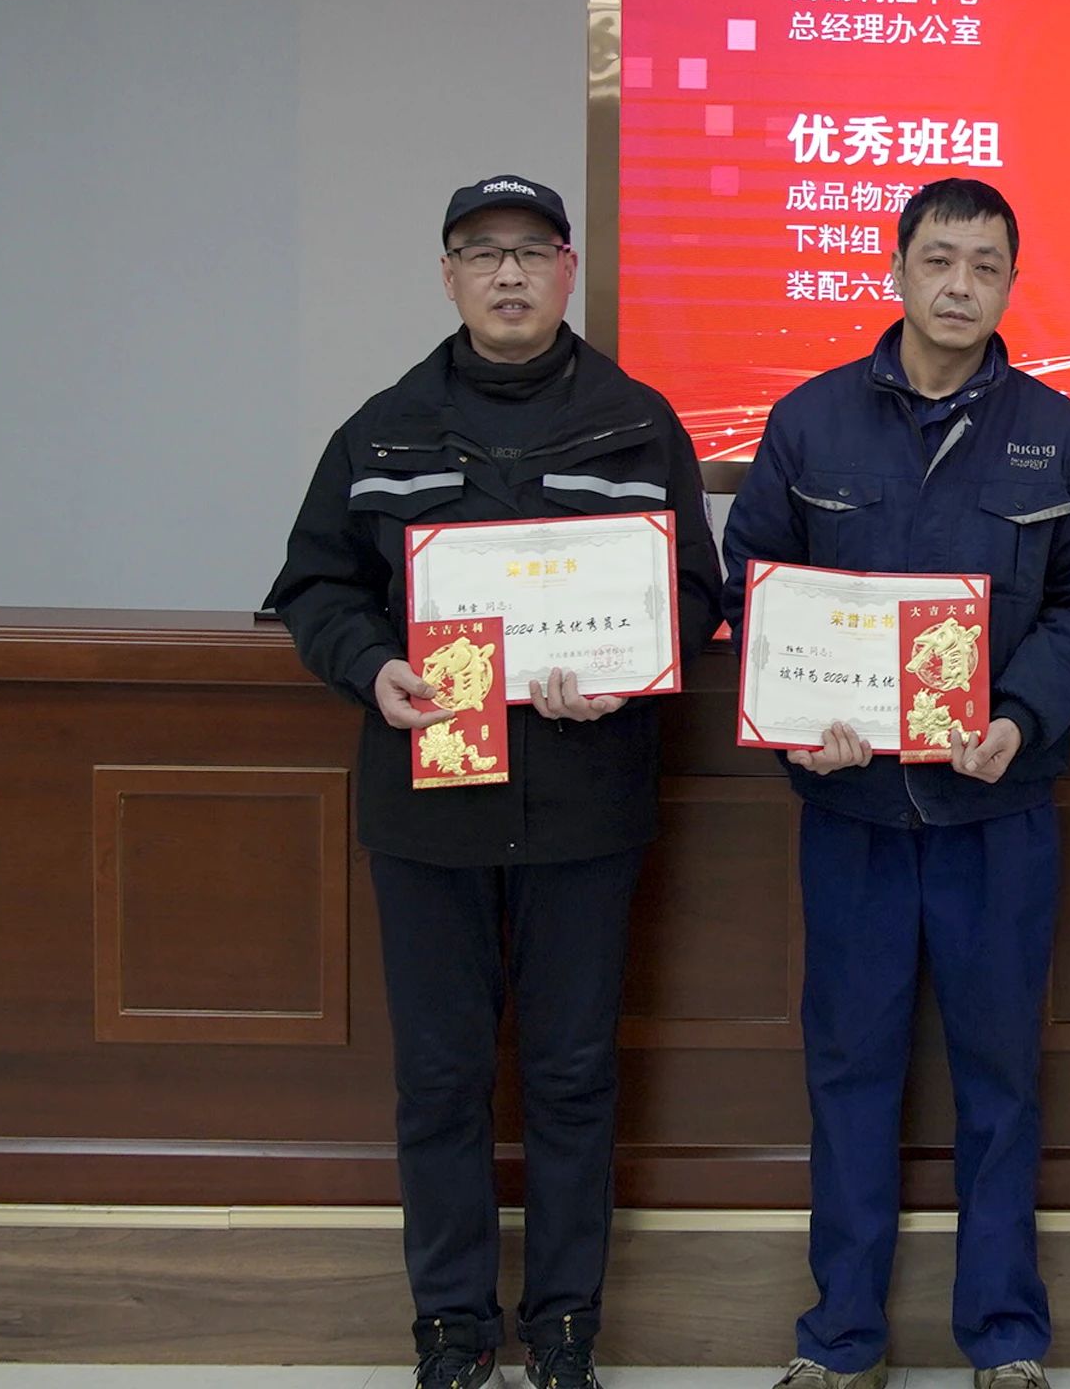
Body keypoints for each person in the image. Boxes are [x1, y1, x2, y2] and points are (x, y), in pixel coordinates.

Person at [271, 174, 719, 1389]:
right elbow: (315, 585)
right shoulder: (381, 429)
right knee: (439, 1077)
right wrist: (372, 665)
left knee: (573, 1074)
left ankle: (566, 1324)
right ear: (449, 276)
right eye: (481, 252)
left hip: (585, 800)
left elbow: (694, 588)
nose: (508, 273)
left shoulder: (636, 421)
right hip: (431, 800)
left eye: (531, 250)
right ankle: (452, 1326)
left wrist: (634, 669)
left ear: (569, 268)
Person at [721, 177, 1070, 1389]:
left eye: (985, 266)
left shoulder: (1057, 433)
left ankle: (1005, 1337)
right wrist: (796, 723)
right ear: (895, 268)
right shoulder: (810, 422)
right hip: (849, 813)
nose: (959, 285)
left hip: (994, 809)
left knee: (999, 1076)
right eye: (938, 260)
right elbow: (753, 585)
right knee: (849, 1070)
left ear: (1010, 283)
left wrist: (1019, 713)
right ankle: (839, 1337)